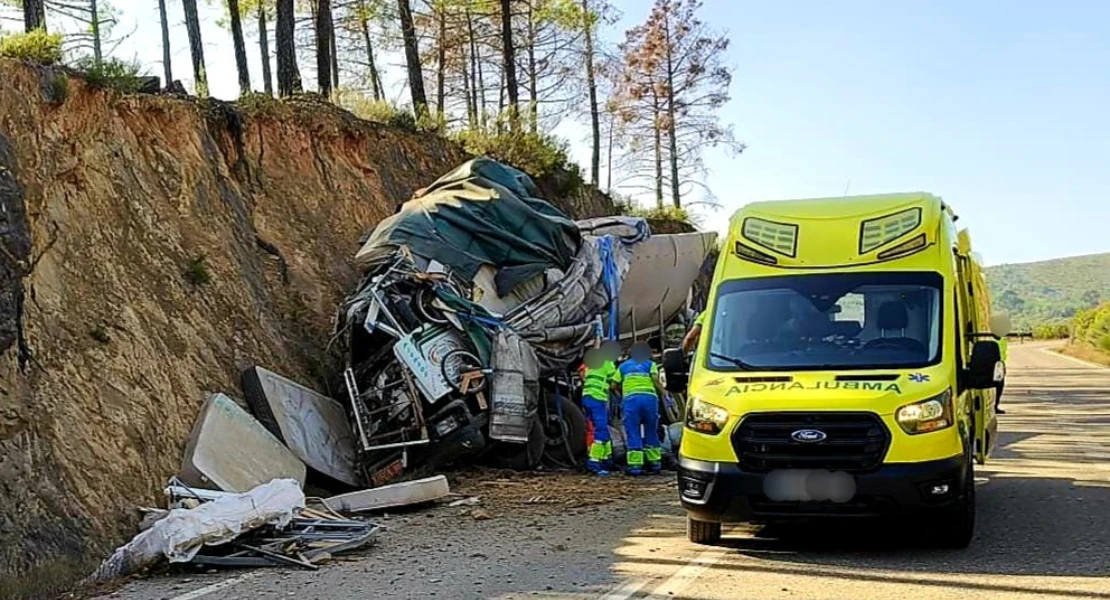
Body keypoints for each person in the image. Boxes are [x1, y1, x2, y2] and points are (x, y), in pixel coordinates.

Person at [614, 342, 665, 476]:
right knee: (651, 430)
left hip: (631, 400)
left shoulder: (623, 367)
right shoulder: (650, 364)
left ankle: (635, 466)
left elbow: (613, 384)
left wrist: (621, 395)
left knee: (633, 431)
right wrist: (665, 393)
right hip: (650, 399)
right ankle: (655, 464)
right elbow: (655, 379)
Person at [581, 348, 618, 475]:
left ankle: (607, 460)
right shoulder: (608, 363)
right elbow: (614, 382)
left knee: (602, 429)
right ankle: (594, 461)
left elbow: (583, 375)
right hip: (598, 398)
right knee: (601, 430)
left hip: (587, 397)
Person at [995, 334, 1008, 414]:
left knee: (999, 386)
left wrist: (1003, 365)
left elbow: (1003, 353)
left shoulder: (1003, 339)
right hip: (990, 363)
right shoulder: (987, 337)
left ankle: (995, 406)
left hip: (999, 364)